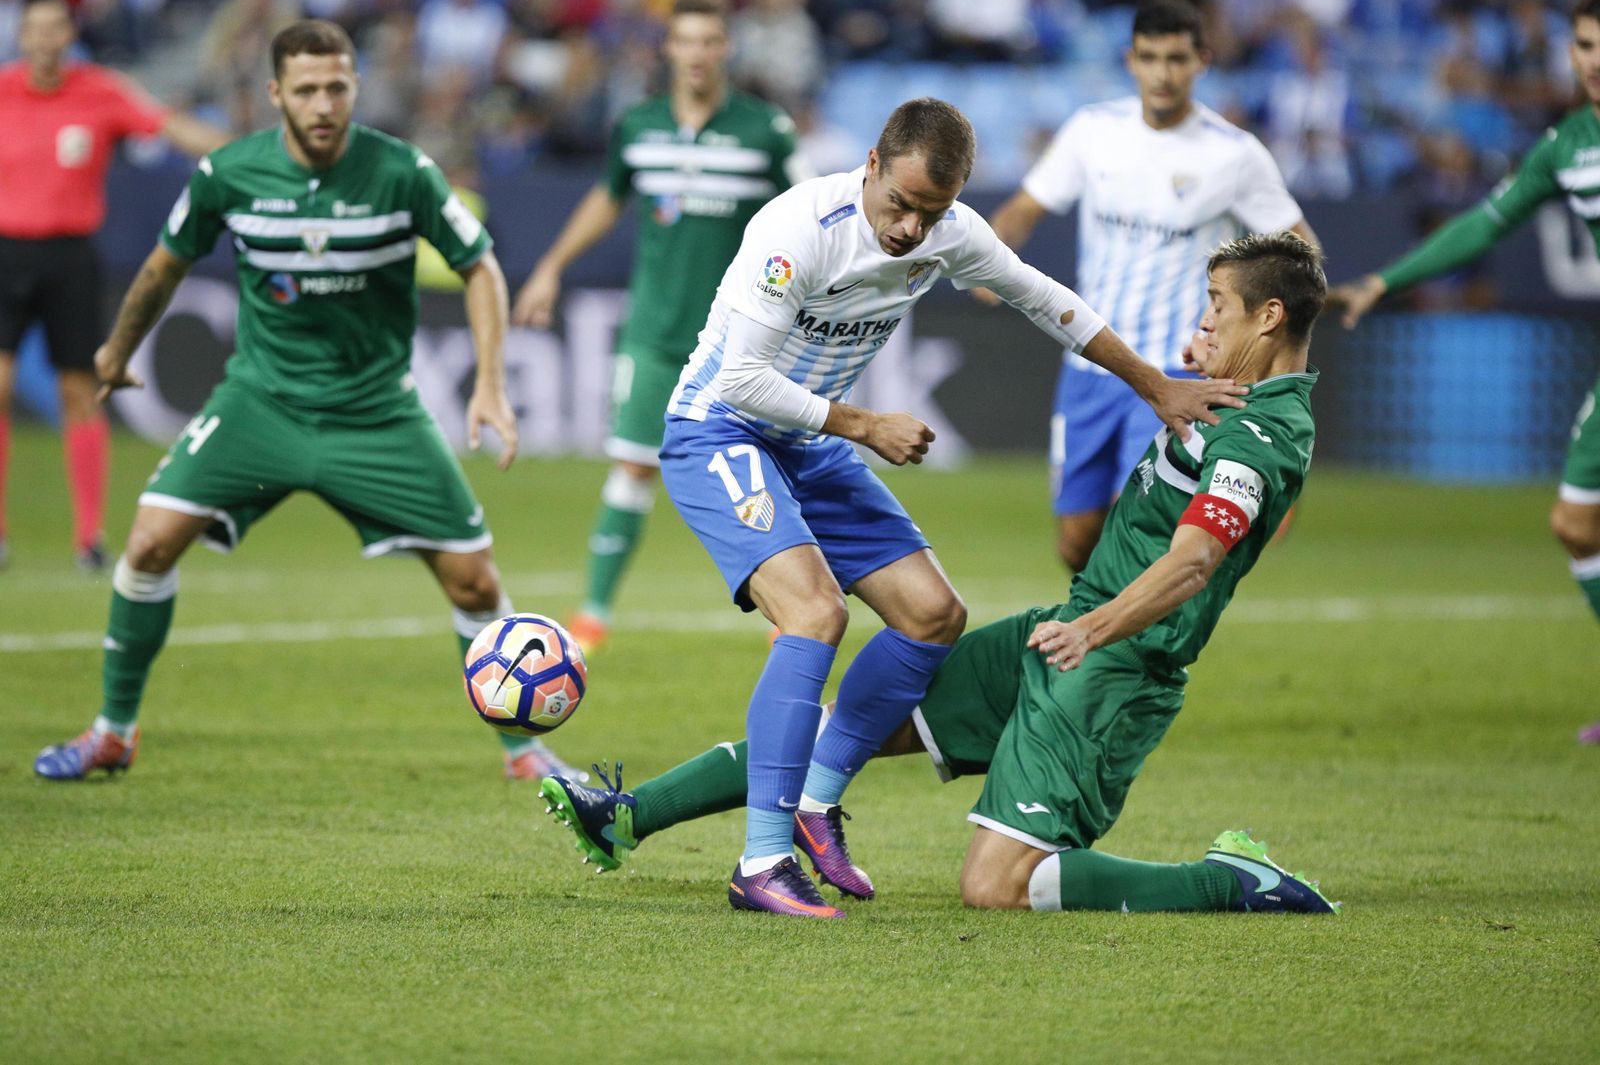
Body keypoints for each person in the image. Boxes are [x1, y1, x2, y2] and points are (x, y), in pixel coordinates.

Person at [542, 232, 1338, 917]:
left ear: (1269, 317)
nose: (1202, 320)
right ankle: (627, 816)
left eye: (1217, 307)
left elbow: (1196, 558)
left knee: (997, 887)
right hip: (1062, 631)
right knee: (849, 723)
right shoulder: (1230, 396)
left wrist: (1093, 630)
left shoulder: (1266, 436)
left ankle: (1229, 883)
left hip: (1116, 665)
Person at [645, 96, 1250, 918]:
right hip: (720, 430)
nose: (909, 231)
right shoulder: (797, 229)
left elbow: (1045, 299)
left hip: (809, 439)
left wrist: (1154, 384)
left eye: (930, 213)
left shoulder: (949, 230)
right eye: (898, 204)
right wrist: (865, 424)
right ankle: (761, 860)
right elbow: (740, 380)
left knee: (932, 614)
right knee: (816, 614)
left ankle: (818, 802)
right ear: (870, 165)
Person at [32, 19, 575, 784]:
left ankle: (525, 750)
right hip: (262, 404)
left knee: (476, 581)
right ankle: (113, 731)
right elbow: (162, 266)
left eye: (338, 87)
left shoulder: (404, 172)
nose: (324, 103)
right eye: (308, 88)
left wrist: (490, 381)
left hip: (376, 413)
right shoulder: (228, 172)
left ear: (355, 86)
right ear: (275, 94)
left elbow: (480, 265)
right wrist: (118, 351)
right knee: (149, 542)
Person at [1328, 0, 1600, 747]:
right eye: (1584, 44)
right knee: (1576, 524)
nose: (1595, 60)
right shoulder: (1567, 146)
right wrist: (1386, 280)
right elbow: (1486, 221)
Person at [977, 0, 1318, 572]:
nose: (1163, 73)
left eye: (1177, 59)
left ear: (1202, 61)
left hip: (1175, 371)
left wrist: (1251, 339)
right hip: (1091, 364)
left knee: (1134, 523)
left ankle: (1117, 651)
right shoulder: (1092, 131)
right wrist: (989, 258)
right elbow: (1024, 208)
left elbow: (1302, 252)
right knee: (1076, 543)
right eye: (1151, 57)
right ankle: (1105, 631)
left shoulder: (1234, 155)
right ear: (1130, 60)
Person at [513, 0, 807, 654]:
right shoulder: (639, 127)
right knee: (631, 467)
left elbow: (809, 207)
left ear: (725, 48)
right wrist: (551, 265)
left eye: (710, 41)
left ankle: (787, 610)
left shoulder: (766, 130)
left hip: (741, 337)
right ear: (667, 49)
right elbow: (607, 197)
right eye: (687, 41)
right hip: (653, 330)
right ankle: (592, 613)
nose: (698, 53)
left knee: (762, 470)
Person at [0, 0, 229, 572]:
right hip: (6, 252)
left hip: (71, 255)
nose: (45, 39)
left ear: (69, 34)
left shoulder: (98, 91)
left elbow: (168, 127)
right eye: (35, 29)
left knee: (79, 390)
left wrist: (244, 153)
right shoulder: (3, 90)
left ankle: (89, 538)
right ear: (22, 37)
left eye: (56, 28)